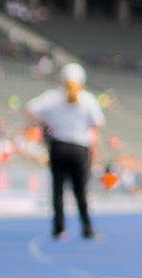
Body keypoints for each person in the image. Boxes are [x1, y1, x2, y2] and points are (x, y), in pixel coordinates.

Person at [26, 62, 104, 240]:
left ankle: (59, 229)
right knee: (80, 191)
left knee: (58, 189)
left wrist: (46, 123)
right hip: (79, 148)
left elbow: (29, 108)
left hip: (59, 146)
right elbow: (98, 125)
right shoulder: (88, 99)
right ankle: (87, 228)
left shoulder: (53, 97)